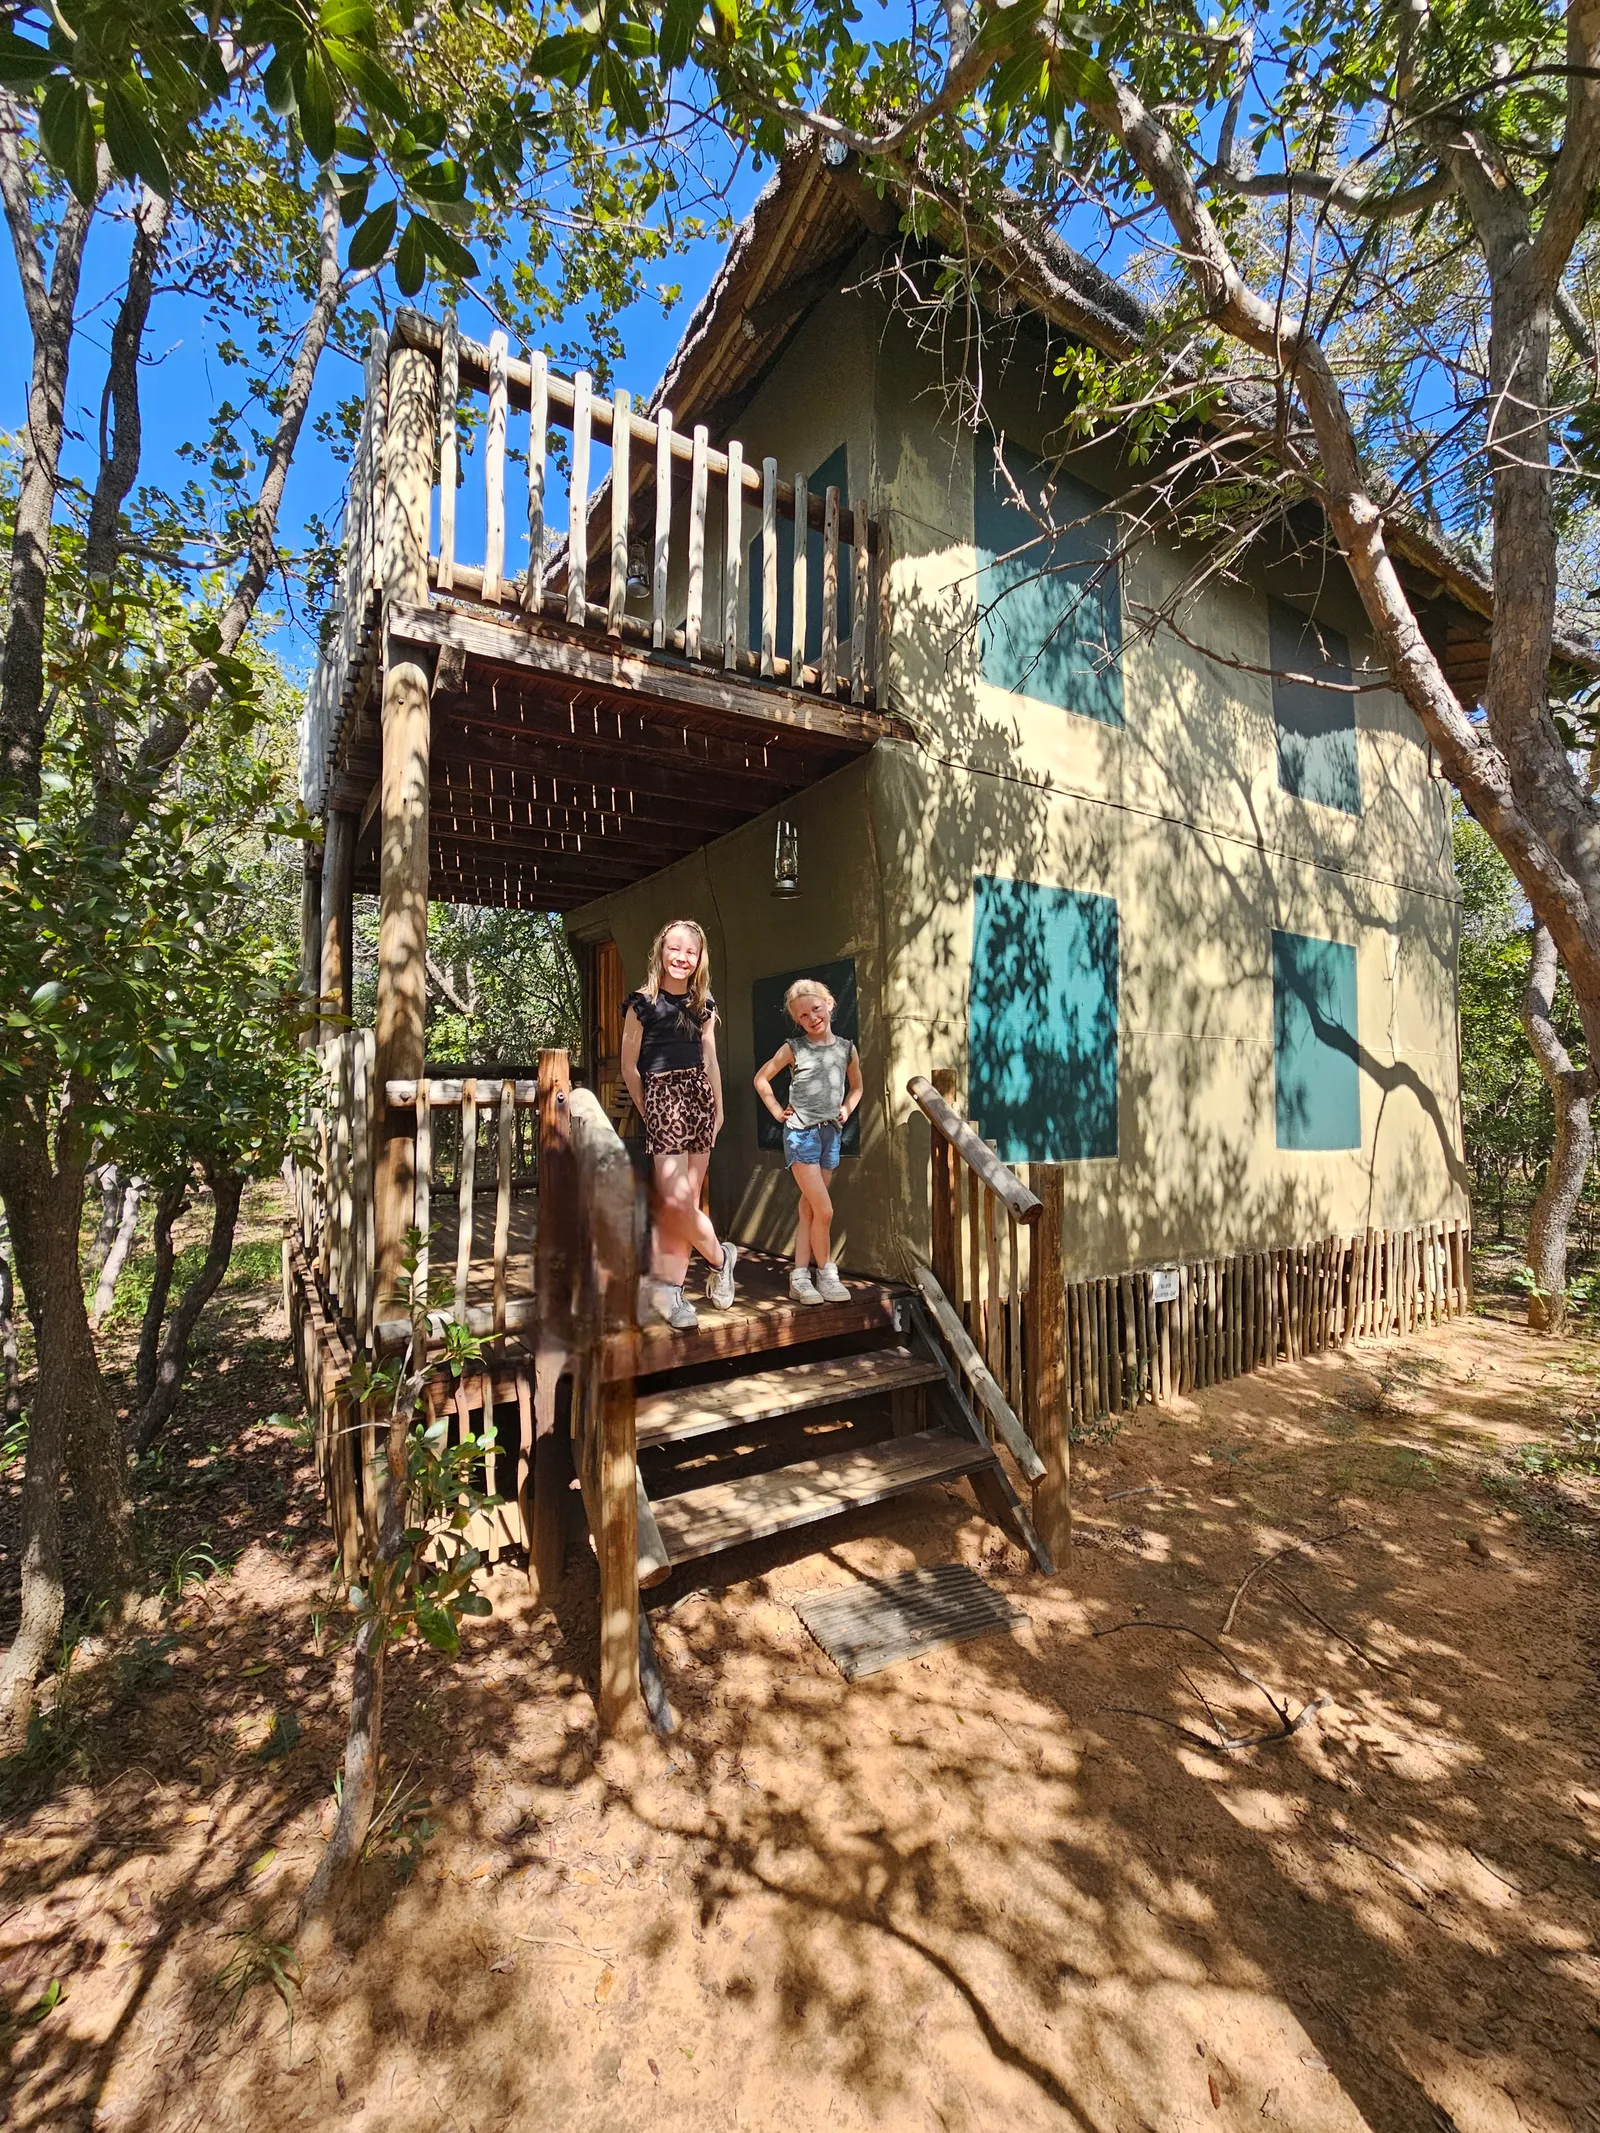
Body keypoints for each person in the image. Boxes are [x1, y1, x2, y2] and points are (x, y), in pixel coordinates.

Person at [619, 918, 738, 1331]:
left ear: (700, 958)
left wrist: (718, 1109)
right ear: (661, 950)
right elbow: (629, 1066)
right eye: (675, 948)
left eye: (691, 951)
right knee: (675, 1202)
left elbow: (710, 1059)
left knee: (684, 1203)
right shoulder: (641, 1003)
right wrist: (650, 1109)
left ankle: (673, 1291)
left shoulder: (703, 1005)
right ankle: (721, 1258)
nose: (682, 957)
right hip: (662, 1099)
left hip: (699, 1099)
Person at [753, 978, 863, 1304]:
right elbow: (761, 1079)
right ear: (797, 1020)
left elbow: (856, 1086)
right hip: (802, 1134)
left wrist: (846, 1109)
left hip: (830, 1134)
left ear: (829, 1004)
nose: (812, 1018)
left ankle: (800, 1276)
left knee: (809, 1209)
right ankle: (826, 1272)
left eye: (816, 1009)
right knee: (824, 1210)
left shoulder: (846, 1049)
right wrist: (777, 1111)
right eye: (803, 1015)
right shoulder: (794, 1048)